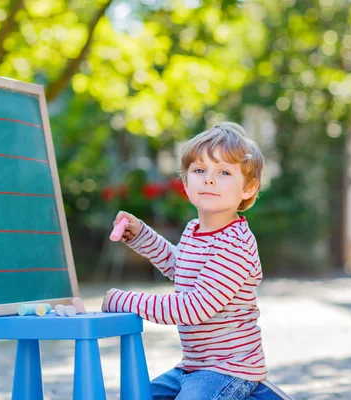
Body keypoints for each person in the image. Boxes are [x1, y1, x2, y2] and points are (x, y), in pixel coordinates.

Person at [102, 122, 267, 400]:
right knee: (137, 396)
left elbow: (193, 307)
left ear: (248, 188)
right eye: (199, 170)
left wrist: (126, 300)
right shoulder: (194, 230)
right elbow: (179, 266)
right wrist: (141, 234)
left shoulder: (235, 244)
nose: (209, 179)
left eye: (224, 172)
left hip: (228, 370)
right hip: (193, 367)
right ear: (186, 182)